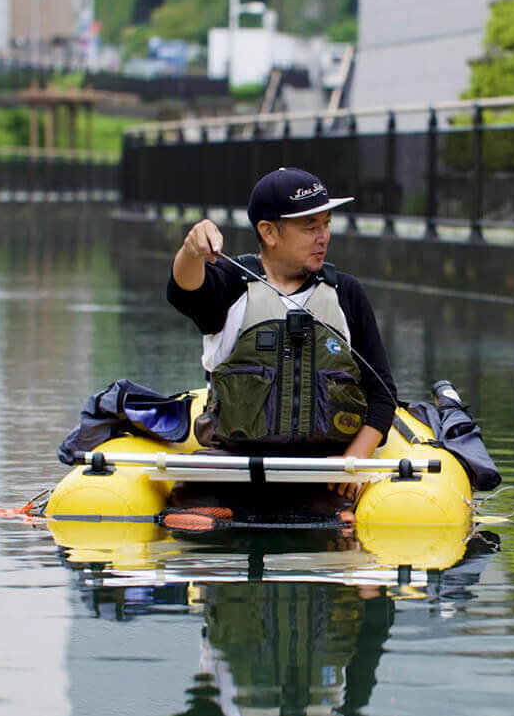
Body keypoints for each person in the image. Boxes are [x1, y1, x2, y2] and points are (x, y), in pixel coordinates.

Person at [169, 167, 398, 502]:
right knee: (189, 519)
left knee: (346, 528)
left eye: (326, 224)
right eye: (310, 228)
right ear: (269, 232)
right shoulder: (229, 284)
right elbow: (183, 290)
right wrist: (192, 249)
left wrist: (355, 459)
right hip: (233, 469)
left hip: (325, 475)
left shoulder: (347, 293)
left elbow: (382, 394)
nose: (323, 237)